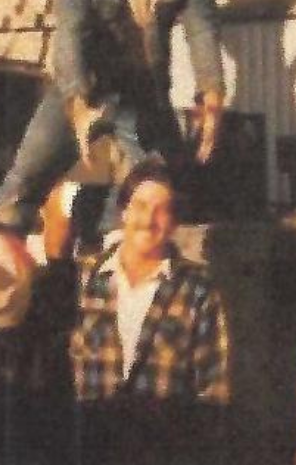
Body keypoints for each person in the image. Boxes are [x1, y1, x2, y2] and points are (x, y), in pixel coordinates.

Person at [0, 0, 225, 237]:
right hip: (83, 87)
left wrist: (211, 97)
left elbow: (202, 30)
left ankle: (121, 266)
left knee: (158, 187)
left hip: (145, 94)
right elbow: (69, 33)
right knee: (23, 181)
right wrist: (79, 106)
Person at [69, 157, 229, 465]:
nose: (149, 219)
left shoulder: (198, 289)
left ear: (173, 222)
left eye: (162, 209)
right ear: (124, 211)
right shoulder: (85, 278)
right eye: (140, 206)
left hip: (165, 451)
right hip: (92, 446)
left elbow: (213, 391)